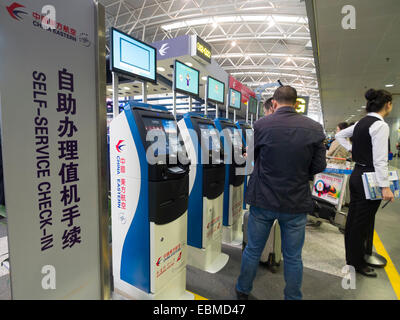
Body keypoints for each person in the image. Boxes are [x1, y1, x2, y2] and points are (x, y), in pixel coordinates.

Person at [236, 85, 326, 300]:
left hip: (263, 199)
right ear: (296, 104)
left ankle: (242, 291)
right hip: (296, 202)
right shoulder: (315, 128)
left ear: (274, 104)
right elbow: (319, 166)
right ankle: (293, 297)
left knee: (253, 250)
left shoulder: (260, 125)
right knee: (293, 257)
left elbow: (249, 159)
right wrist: (300, 173)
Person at [335, 88, 394, 277]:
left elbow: (339, 136)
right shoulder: (380, 126)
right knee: (361, 223)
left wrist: (353, 149)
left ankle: (353, 258)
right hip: (370, 177)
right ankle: (357, 263)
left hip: (357, 174)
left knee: (354, 221)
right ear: (388, 105)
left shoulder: (362, 122)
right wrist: (385, 186)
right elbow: (380, 160)